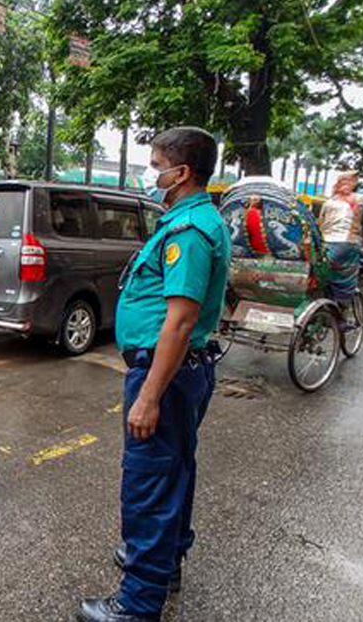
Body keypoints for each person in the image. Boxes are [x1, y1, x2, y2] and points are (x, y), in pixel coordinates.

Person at [78, 127, 230, 622]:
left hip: (165, 374)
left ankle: (137, 603)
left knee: (148, 484)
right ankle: (164, 565)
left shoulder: (188, 232)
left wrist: (148, 394)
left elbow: (181, 319)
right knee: (174, 473)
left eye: (155, 162)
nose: (150, 172)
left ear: (181, 172)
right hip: (180, 373)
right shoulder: (188, 220)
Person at [318, 171, 363, 303]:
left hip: (326, 244)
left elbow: (321, 225)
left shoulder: (329, 202)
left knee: (324, 275)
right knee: (346, 281)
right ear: (355, 184)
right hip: (347, 244)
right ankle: (342, 310)